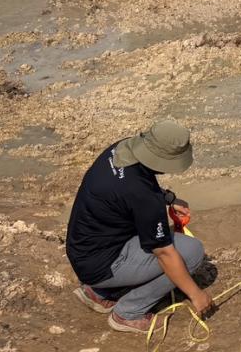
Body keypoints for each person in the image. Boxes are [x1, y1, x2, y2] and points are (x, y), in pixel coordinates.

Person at [65, 118, 214, 334]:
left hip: (84, 250)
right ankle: (129, 312)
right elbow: (164, 253)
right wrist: (196, 294)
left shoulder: (121, 149)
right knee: (191, 252)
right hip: (101, 265)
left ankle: (101, 293)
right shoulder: (142, 196)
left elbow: (130, 187)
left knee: (158, 239)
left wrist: (167, 197)